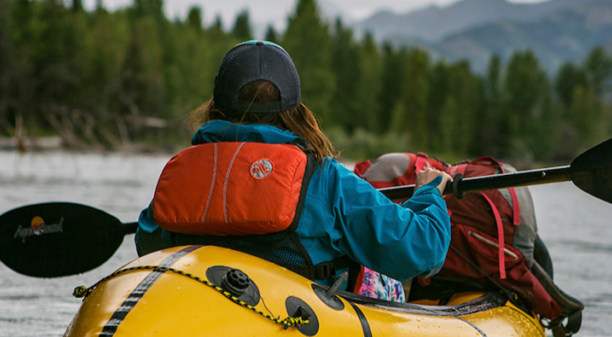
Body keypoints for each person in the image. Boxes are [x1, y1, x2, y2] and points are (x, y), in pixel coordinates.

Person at [135, 41, 452, 294]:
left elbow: (147, 242)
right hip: (301, 333)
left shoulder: (182, 176)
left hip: (206, 319)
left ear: (216, 107)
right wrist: (429, 194)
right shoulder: (324, 179)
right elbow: (422, 250)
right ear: (294, 111)